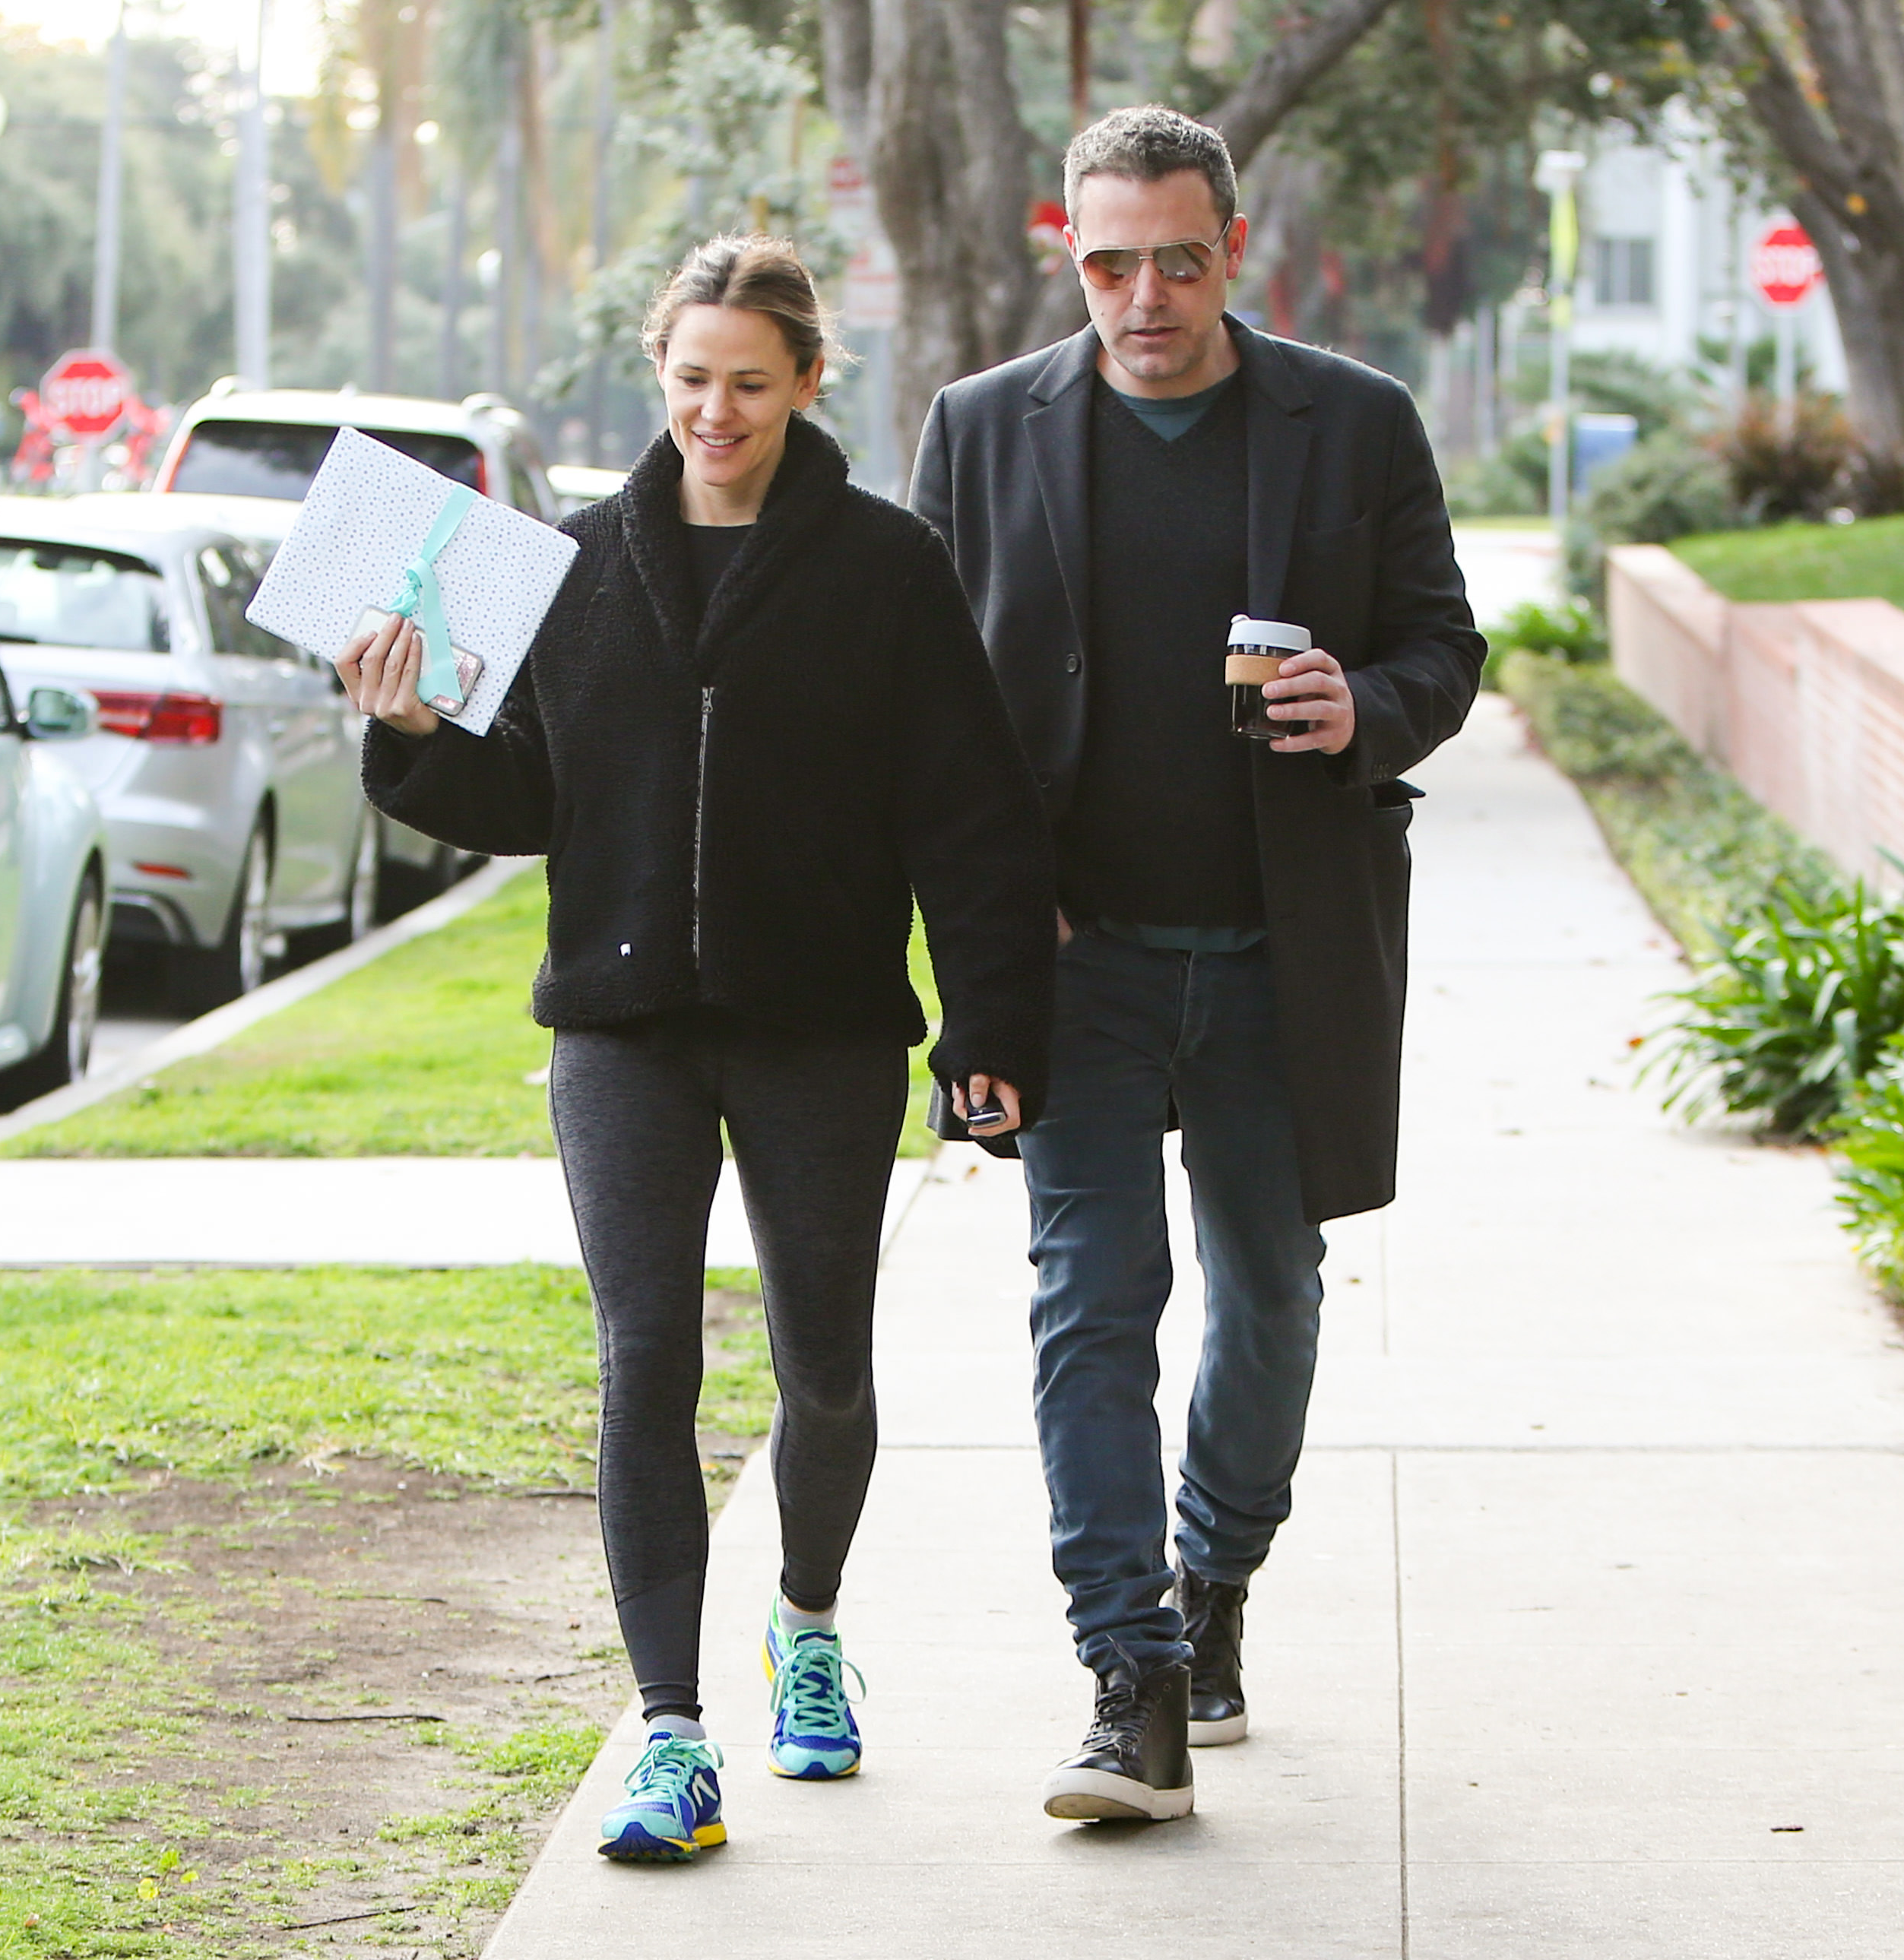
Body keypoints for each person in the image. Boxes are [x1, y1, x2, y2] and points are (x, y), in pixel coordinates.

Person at [341, 234, 1057, 1862]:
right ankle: (669, 1733)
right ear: (654, 381)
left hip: (817, 1032)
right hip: (620, 1033)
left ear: (807, 382)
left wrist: (989, 1028)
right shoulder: (575, 566)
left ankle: (805, 1633)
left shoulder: (886, 570)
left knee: (819, 1360)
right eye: (689, 383)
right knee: (644, 1360)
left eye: (748, 382)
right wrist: (406, 734)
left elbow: (971, 817)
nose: (715, 412)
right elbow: (526, 795)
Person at [911, 106, 1486, 1822]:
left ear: (1232, 248)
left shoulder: (1351, 423)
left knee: (1270, 1295)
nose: (1141, 294)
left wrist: (1361, 708)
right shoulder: (980, 430)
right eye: (1106, 262)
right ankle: (1129, 1675)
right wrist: (994, 922)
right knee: (1089, 1308)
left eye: (1175, 258)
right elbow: (926, 710)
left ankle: (1214, 1575)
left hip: (1275, 952)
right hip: (1070, 967)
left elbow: (1442, 645)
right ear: (1064, 253)